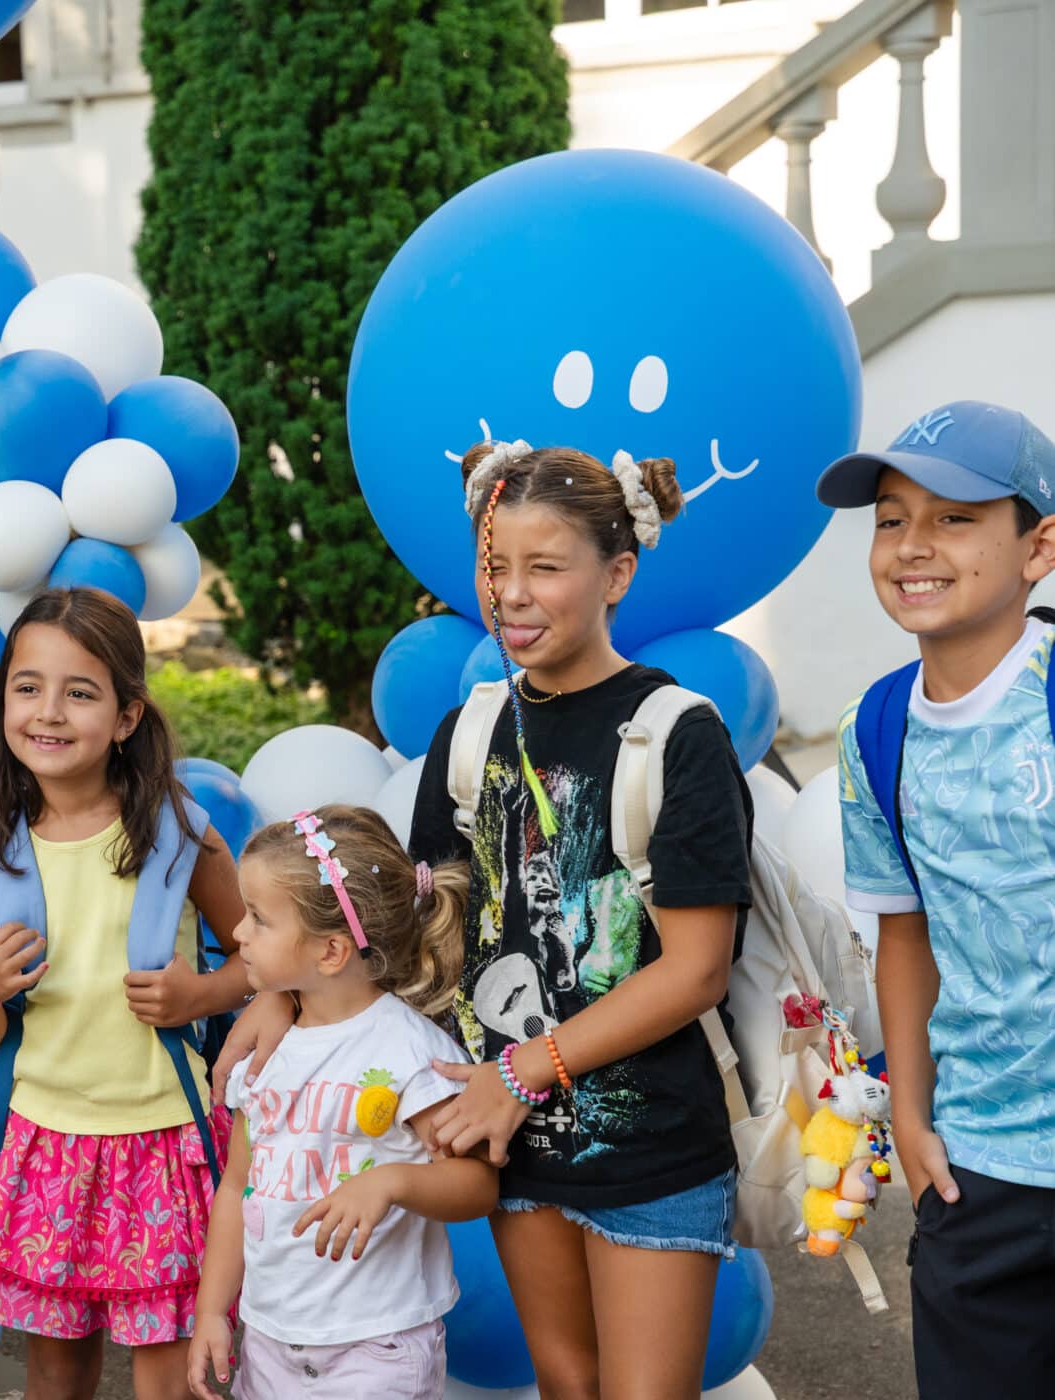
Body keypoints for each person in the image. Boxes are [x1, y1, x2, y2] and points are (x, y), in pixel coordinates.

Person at [219, 441, 753, 1399]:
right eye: (495, 566)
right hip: (511, 1144)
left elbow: (696, 971)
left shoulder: (678, 735)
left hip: (650, 1146)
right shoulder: (470, 733)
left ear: (618, 573)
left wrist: (521, 1071)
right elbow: (411, 931)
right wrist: (284, 1002)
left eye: (545, 568)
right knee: (566, 1383)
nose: (511, 594)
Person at [0, 587, 252, 1400]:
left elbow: (267, 963)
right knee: (54, 1373)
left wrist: (201, 995)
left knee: (171, 1375)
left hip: (161, 1140)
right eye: (28, 687)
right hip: (44, 1142)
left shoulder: (176, 833)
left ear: (125, 717)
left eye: (79, 692)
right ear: (3, 699)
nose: (48, 712)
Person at [818, 401, 1055, 1396]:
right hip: (978, 1168)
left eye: (956, 516)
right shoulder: (874, 731)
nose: (913, 545)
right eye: (889, 517)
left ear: (1039, 545)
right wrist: (910, 1118)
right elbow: (904, 935)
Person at [188, 805, 496, 1400]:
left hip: (376, 1345)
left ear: (330, 952)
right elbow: (236, 1186)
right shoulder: (265, 1047)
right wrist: (211, 1311)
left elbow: (476, 1184)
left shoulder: (410, 1051)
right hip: (270, 1340)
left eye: (258, 919)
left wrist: (391, 1184)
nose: (238, 934)